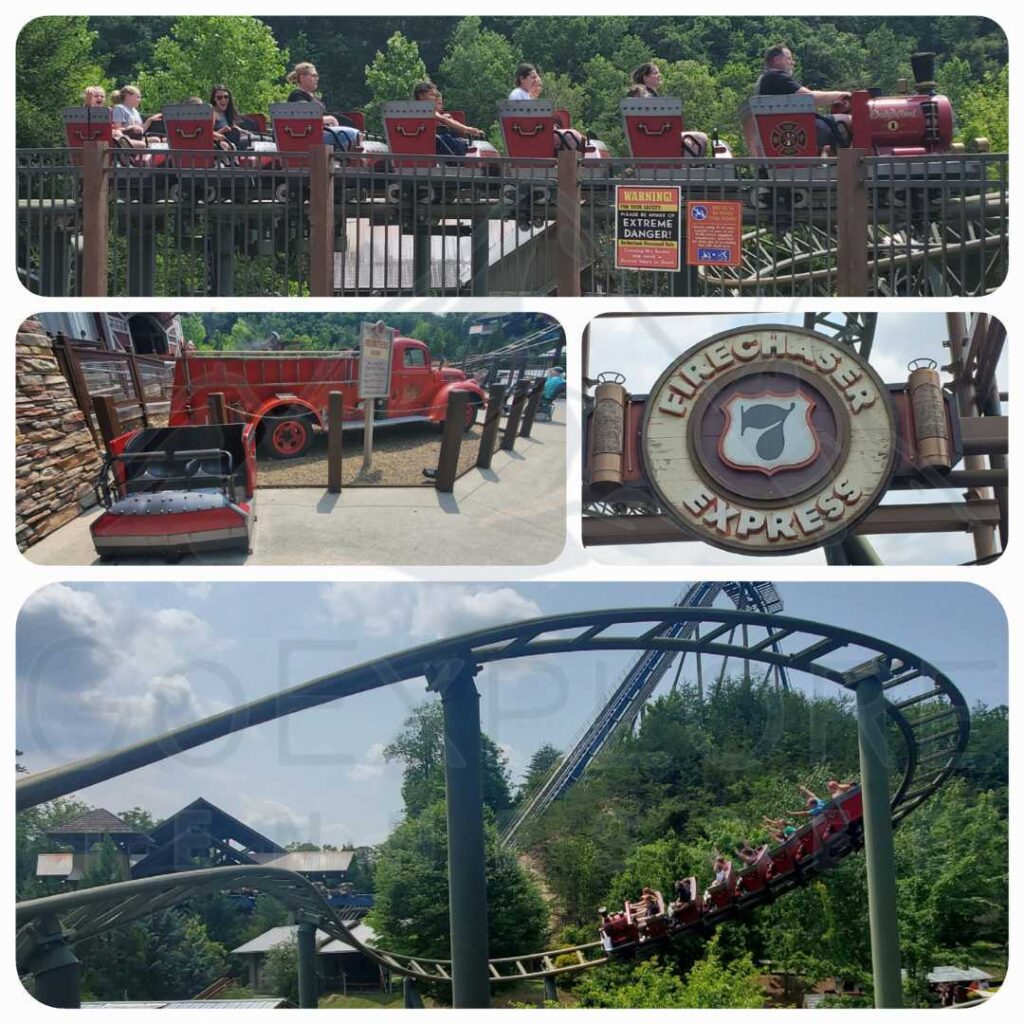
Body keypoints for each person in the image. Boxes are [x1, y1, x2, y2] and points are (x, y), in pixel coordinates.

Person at [755, 45, 851, 153]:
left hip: (783, 130)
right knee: (849, 122)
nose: (792, 63)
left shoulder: (763, 80)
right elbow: (810, 97)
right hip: (797, 130)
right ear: (777, 60)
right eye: (789, 58)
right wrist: (843, 94)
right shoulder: (776, 77)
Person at [628, 61, 710, 157]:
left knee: (698, 137)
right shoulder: (643, 94)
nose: (659, 75)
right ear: (645, 78)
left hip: (656, 137)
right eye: (655, 73)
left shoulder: (643, 96)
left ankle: (689, 166)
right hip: (659, 137)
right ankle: (688, 168)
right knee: (701, 138)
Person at [508, 63, 586, 150]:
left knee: (571, 135)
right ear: (522, 79)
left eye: (536, 77)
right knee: (570, 136)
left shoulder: (526, 95)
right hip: (529, 135)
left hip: (534, 133)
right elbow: (523, 120)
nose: (535, 80)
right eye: (533, 77)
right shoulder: (517, 95)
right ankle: (572, 160)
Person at [286, 62, 360, 151]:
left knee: (356, 134)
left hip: (321, 131)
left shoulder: (315, 98)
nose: (317, 79)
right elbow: (307, 117)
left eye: (317, 76)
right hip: (309, 134)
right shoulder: (297, 96)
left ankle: (347, 159)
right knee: (352, 133)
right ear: (302, 77)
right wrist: (331, 119)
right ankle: (339, 159)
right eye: (313, 76)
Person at [412, 81, 485, 156]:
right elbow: (445, 120)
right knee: (448, 140)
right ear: (421, 95)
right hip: (427, 143)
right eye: (431, 95)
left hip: (427, 143)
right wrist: (469, 129)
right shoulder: (421, 109)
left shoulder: (430, 109)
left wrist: (467, 129)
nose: (434, 98)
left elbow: (448, 120)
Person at [209, 84, 252, 150]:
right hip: (220, 146)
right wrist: (222, 131)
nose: (223, 100)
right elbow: (208, 134)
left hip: (231, 143)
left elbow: (233, 127)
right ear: (214, 99)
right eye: (219, 98)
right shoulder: (214, 113)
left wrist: (247, 132)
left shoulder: (226, 113)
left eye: (226, 97)